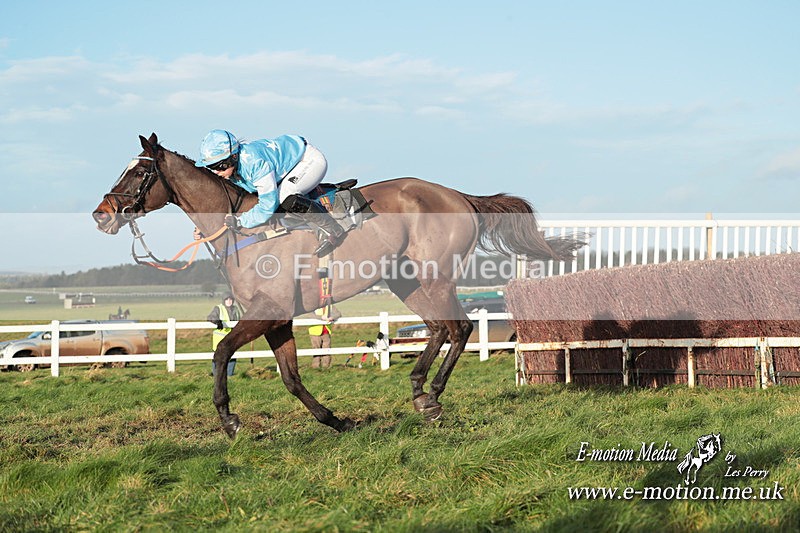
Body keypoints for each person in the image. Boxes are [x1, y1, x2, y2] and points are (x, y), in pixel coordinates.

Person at [195, 129, 344, 257]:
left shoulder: (255, 164)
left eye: (220, 166)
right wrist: (205, 226)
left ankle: (333, 230)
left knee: (284, 197)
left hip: (308, 160)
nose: (217, 172)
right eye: (211, 167)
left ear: (234, 156)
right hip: (289, 166)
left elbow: (267, 206)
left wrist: (240, 221)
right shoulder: (232, 167)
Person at [207, 293, 241, 377]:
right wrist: (217, 321)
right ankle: (216, 375)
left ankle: (229, 375)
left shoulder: (235, 309)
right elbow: (211, 317)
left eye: (231, 299)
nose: (229, 301)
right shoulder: (218, 308)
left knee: (232, 357)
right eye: (227, 299)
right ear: (224, 300)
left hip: (232, 338)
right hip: (220, 338)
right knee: (218, 357)